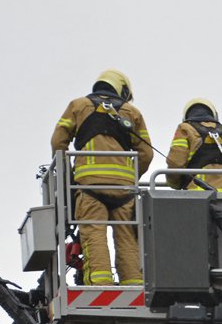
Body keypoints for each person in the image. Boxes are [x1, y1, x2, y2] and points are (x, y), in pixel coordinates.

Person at [51, 69, 153, 285]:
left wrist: (68, 177)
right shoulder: (132, 112)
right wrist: (131, 178)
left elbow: (58, 142)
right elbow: (146, 154)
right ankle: (133, 284)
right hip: (124, 191)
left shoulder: (78, 106)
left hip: (90, 187)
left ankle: (100, 285)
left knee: (94, 234)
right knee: (127, 238)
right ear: (122, 90)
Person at [165, 99, 222, 192]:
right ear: (214, 115)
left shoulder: (185, 129)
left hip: (197, 195)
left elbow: (175, 163)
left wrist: (174, 184)